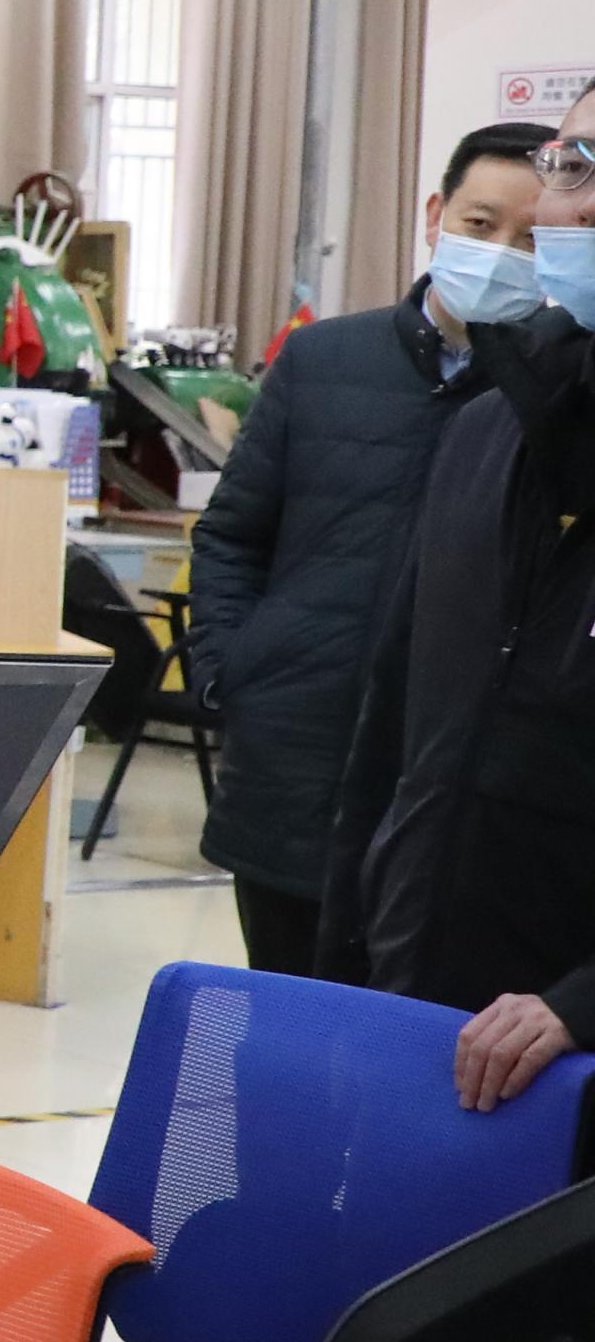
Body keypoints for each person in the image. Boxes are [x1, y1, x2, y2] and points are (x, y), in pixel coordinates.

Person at [197, 122, 553, 971]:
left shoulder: (557, 399)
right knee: (285, 1020)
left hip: (453, 796)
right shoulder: (321, 359)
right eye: (480, 224)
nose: (501, 254)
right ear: (435, 215)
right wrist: (232, 673)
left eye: (533, 239)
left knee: (409, 1033)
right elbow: (232, 535)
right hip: (292, 765)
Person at [335, 140, 595, 1112]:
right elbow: (391, 734)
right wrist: (343, 972)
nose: (574, 207)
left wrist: (582, 1003)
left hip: (564, 1048)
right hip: (420, 993)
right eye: (571, 165)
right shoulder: (487, 429)